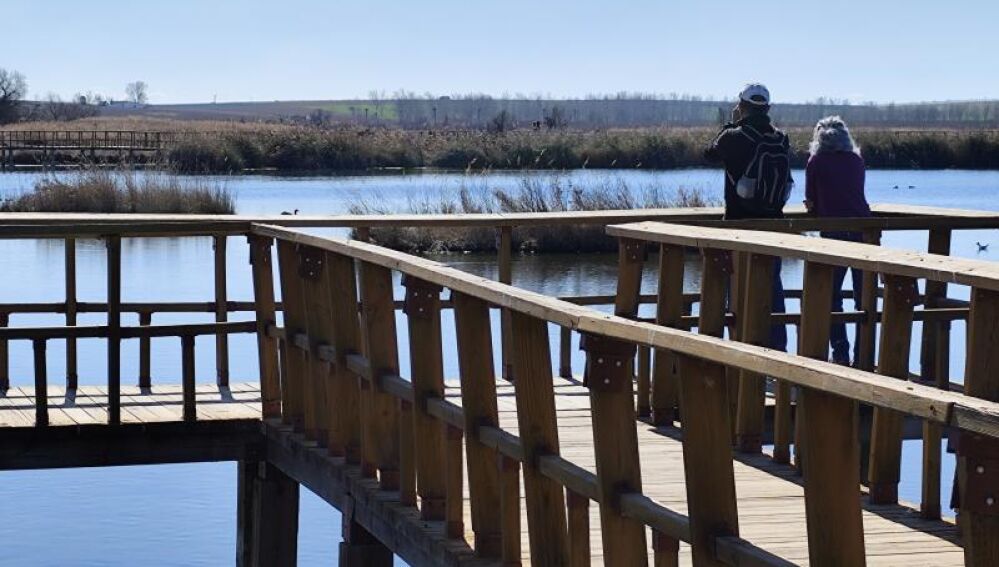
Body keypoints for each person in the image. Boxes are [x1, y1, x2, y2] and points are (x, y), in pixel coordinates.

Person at [704, 83, 793, 351]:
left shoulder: (735, 136)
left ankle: (740, 351)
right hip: (773, 225)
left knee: (738, 290)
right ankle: (778, 352)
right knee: (773, 288)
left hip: (738, 224)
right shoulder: (780, 138)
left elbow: (709, 154)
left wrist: (729, 126)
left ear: (741, 106)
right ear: (767, 108)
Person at [804, 116, 871, 365]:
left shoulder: (816, 162)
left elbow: (810, 201)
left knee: (831, 297)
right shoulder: (856, 160)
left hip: (833, 233)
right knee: (864, 298)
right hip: (864, 231)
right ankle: (864, 357)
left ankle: (840, 353)